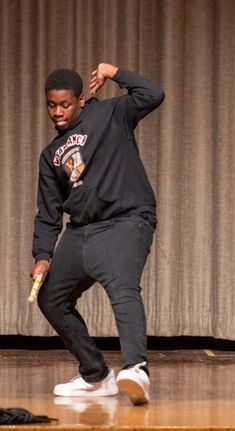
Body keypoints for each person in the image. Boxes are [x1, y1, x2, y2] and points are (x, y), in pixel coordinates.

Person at [31, 63, 164, 405]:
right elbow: (48, 213)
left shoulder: (111, 113)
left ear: (81, 101)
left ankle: (137, 370)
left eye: (65, 104)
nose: (58, 112)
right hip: (81, 230)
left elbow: (153, 94)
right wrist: (42, 256)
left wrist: (114, 71)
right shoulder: (50, 156)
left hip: (125, 219)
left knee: (122, 287)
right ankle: (96, 375)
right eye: (51, 105)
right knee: (51, 298)